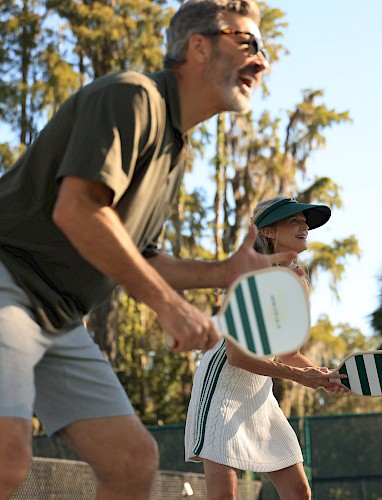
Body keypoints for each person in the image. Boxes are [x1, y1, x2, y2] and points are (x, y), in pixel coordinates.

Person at [0, 2, 297, 499]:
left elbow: (144, 257)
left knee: (131, 462)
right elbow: (79, 212)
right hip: (7, 278)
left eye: (263, 50)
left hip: (57, 314)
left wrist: (224, 272)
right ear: (199, 46)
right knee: (8, 456)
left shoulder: (176, 150)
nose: (261, 61)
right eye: (248, 44)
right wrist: (169, 306)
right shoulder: (133, 96)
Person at [184, 196, 350, 500]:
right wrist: (301, 378)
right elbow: (236, 355)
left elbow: (289, 354)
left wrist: (322, 377)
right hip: (223, 385)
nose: (304, 227)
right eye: (294, 221)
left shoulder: (298, 282)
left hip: (259, 390)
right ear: (269, 232)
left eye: (305, 222)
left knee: (299, 493)